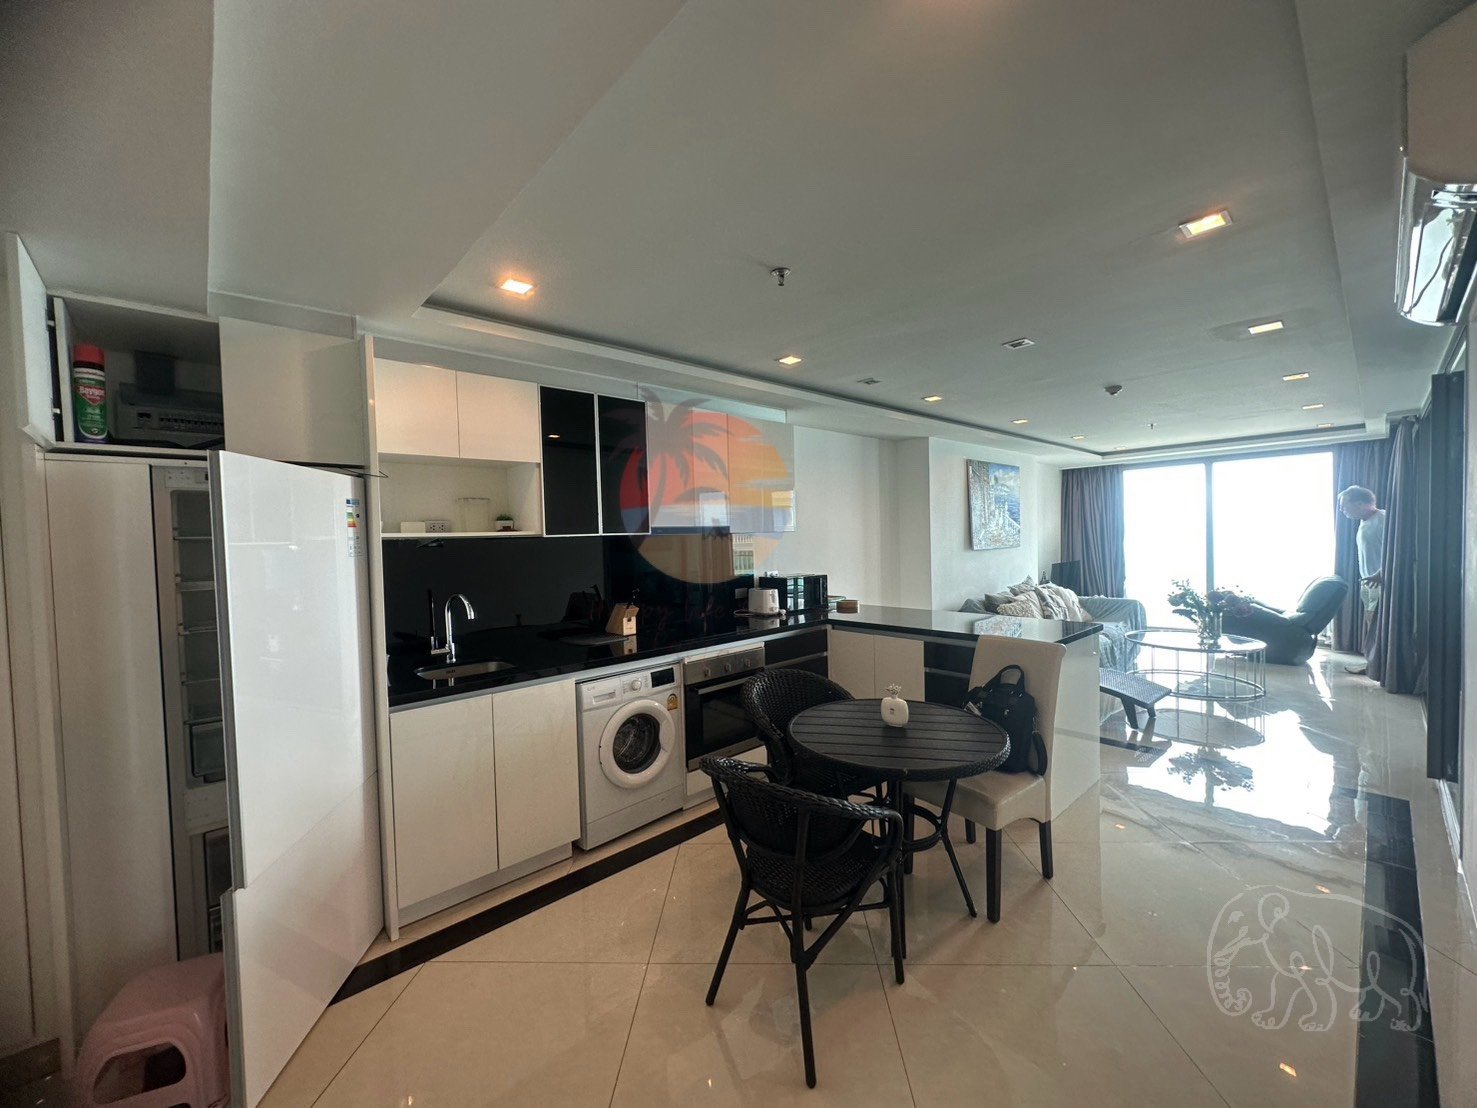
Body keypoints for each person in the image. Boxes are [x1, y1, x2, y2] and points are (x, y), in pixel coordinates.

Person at [1336, 485, 1385, 675]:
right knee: (1371, 624)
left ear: (1359, 503)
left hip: (1380, 581)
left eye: (1345, 505)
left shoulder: (1383, 518)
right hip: (1369, 582)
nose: (1342, 510)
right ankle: (1373, 664)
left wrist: (1381, 573)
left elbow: (1395, 551)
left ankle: (1377, 666)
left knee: (1377, 625)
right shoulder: (1364, 522)